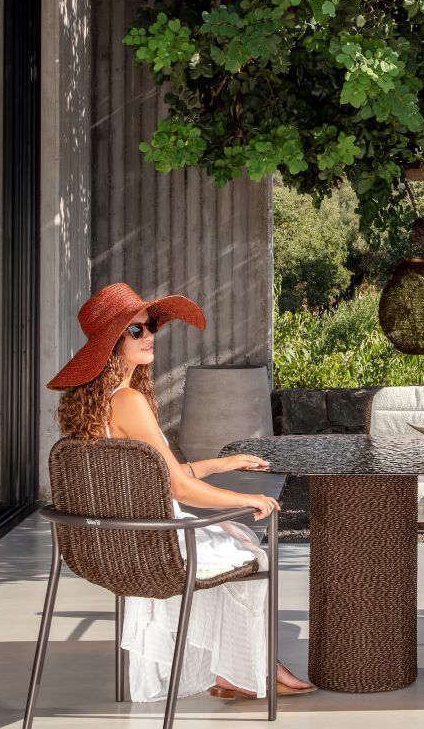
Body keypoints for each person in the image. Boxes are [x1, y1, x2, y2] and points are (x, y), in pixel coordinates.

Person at [48, 281, 314, 703]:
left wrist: (222, 464)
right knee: (250, 550)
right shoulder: (129, 401)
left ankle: (239, 670)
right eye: (136, 329)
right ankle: (251, 668)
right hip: (157, 546)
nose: (149, 335)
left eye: (150, 326)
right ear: (111, 343)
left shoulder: (95, 407)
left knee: (231, 543)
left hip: (112, 547)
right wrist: (248, 500)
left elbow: (156, 477)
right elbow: (179, 488)